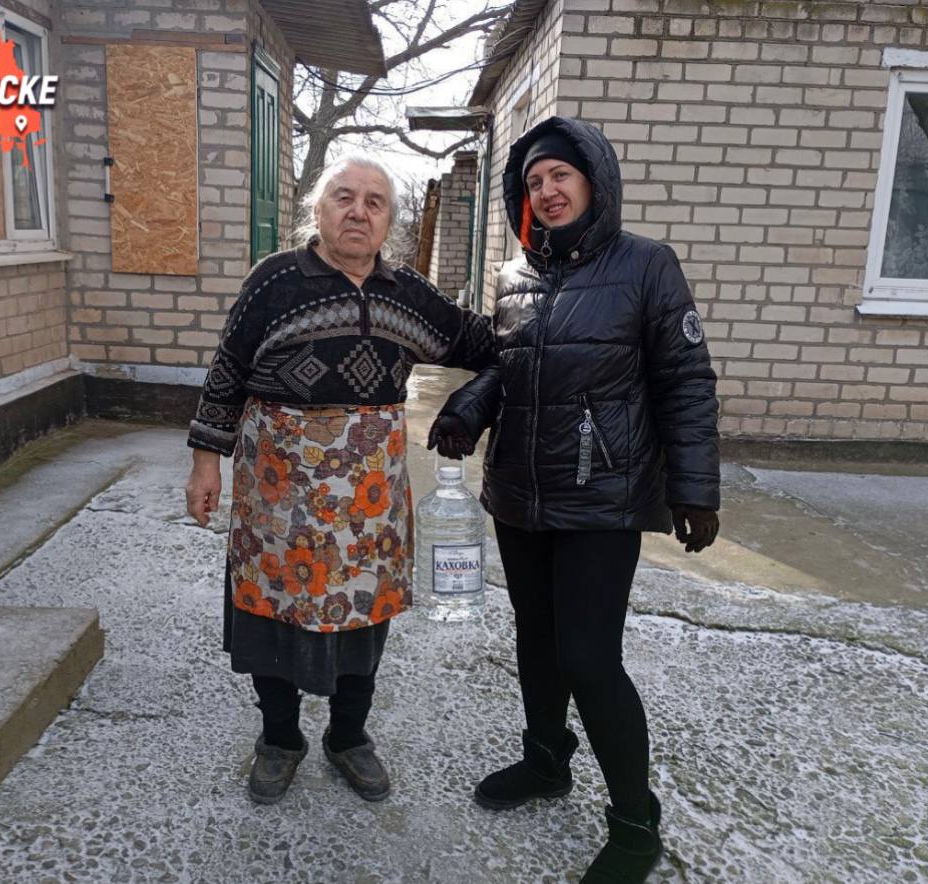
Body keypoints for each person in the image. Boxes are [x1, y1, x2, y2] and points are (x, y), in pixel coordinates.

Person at [428, 116, 721, 883]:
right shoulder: (512, 275)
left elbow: (685, 381)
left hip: (602, 496)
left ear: (594, 179)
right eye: (532, 182)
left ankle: (633, 824)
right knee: (536, 640)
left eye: (559, 174)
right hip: (520, 491)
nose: (547, 191)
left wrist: (693, 487)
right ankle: (544, 761)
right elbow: (513, 365)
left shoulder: (647, 266)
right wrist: (468, 407)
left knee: (589, 658)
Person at [184, 157, 494, 806]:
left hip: (367, 497)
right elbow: (226, 373)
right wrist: (205, 461)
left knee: (364, 616)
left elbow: (484, 345)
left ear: (389, 223)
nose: (358, 211)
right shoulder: (273, 281)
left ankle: (348, 738)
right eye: (343, 197)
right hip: (277, 488)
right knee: (270, 612)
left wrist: (493, 385)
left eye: (374, 202)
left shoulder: (406, 295)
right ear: (317, 211)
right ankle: (280, 739)